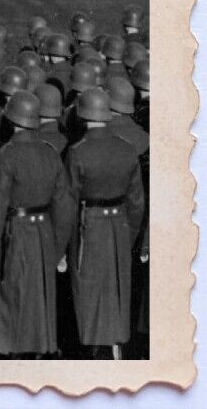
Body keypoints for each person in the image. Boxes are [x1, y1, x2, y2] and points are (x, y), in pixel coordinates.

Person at [0, 90, 74, 357]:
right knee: (40, 299)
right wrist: (58, 249)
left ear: (11, 120)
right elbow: (64, 206)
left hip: (17, 233)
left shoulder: (5, 155)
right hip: (45, 232)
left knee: (13, 300)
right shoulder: (51, 153)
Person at [64, 88, 148, 359]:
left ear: (82, 115)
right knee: (116, 288)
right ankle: (115, 346)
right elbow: (137, 203)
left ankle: (94, 350)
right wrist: (129, 234)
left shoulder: (77, 152)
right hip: (120, 225)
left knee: (88, 290)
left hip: (89, 225)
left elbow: (68, 202)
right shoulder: (127, 149)